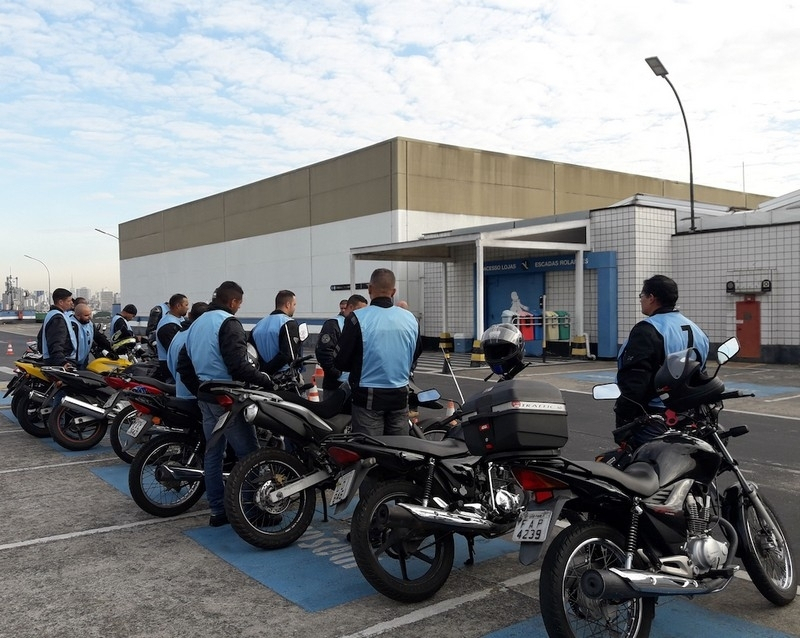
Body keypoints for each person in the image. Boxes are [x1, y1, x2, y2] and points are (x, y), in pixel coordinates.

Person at [176, 281, 274, 527]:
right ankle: (254, 512)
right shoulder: (228, 323)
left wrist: (200, 390)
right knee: (249, 454)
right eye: (239, 303)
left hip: (207, 398)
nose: (239, 308)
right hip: (229, 400)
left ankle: (218, 511)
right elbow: (238, 365)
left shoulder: (195, 324)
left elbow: (183, 367)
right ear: (233, 302)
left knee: (213, 455)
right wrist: (266, 380)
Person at [615, 274, 710, 444]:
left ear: (651, 298)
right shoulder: (697, 330)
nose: (641, 300)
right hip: (689, 414)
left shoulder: (648, 330)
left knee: (640, 465)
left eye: (642, 295)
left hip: (656, 415)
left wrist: (623, 418)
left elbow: (636, 380)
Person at [334, 268, 422, 436]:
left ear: (369, 289)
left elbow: (340, 361)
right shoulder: (410, 319)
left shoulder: (357, 318)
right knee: (399, 452)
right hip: (400, 396)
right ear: (393, 292)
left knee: (370, 452)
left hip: (367, 398)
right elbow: (416, 352)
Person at [315, 294, 367, 392]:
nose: (363, 313)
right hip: (335, 385)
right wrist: (337, 373)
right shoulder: (333, 324)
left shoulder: (359, 323)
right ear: (351, 307)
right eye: (360, 310)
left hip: (354, 383)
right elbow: (324, 352)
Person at [250, 289, 302, 374]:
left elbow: (252, 353)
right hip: (284, 378)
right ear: (288, 305)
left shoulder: (258, 326)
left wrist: (263, 372)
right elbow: (287, 355)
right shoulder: (288, 323)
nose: (294, 308)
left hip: (261, 377)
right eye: (294, 304)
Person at [166, 301, 208, 399]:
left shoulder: (179, 334)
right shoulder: (195, 337)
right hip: (193, 395)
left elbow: (171, 363)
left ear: (189, 315)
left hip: (181, 390)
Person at [37, 288, 76, 366]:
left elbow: (40, 337)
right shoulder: (58, 318)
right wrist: (62, 362)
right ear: (61, 302)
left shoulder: (52, 314)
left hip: (52, 359)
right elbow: (56, 342)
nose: (71, 303)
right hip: (60, 361)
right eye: (69, 301)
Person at [70, 302, 115, 369]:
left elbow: (98, 337)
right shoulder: (71, 325)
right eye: (86, 315)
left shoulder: (89, 324)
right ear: (78, 315)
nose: (89, 317)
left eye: (90, 314)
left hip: (83, 360)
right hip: (72, 361)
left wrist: (111, 348)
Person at [155, 293, 189, 380]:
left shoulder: (178, 319)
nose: (188, 308)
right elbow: (175, 350)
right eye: (186, 305)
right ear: (178, 306)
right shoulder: (168, 325)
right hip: (170, 366)